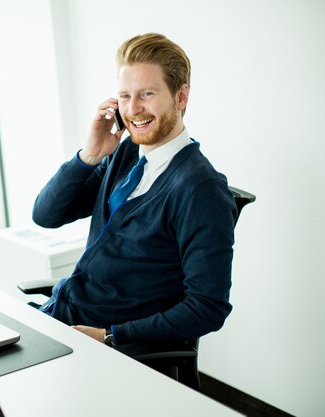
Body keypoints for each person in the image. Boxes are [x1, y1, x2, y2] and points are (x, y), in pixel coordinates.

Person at [33, 33, 237, 348]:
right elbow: (46, 215)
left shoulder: (200, 189)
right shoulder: (125, 154)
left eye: (146, 94)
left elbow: (208, 307)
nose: (133, 109)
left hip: (101, 344)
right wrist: (88, 157)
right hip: (60, 317)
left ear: (181, 97)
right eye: (125, 96)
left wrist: (110, 336)